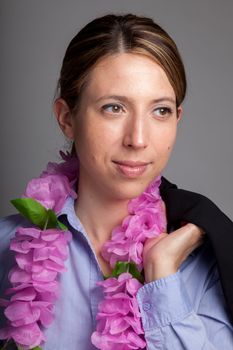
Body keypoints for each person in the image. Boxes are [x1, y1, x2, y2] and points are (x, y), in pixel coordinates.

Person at [0, 13, 233, 350]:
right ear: (67, 118)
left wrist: (163, 278)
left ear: (177, 119)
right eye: (114, 108)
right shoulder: (11, 250)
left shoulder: (207, 265)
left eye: (160, 110)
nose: (138, 139)